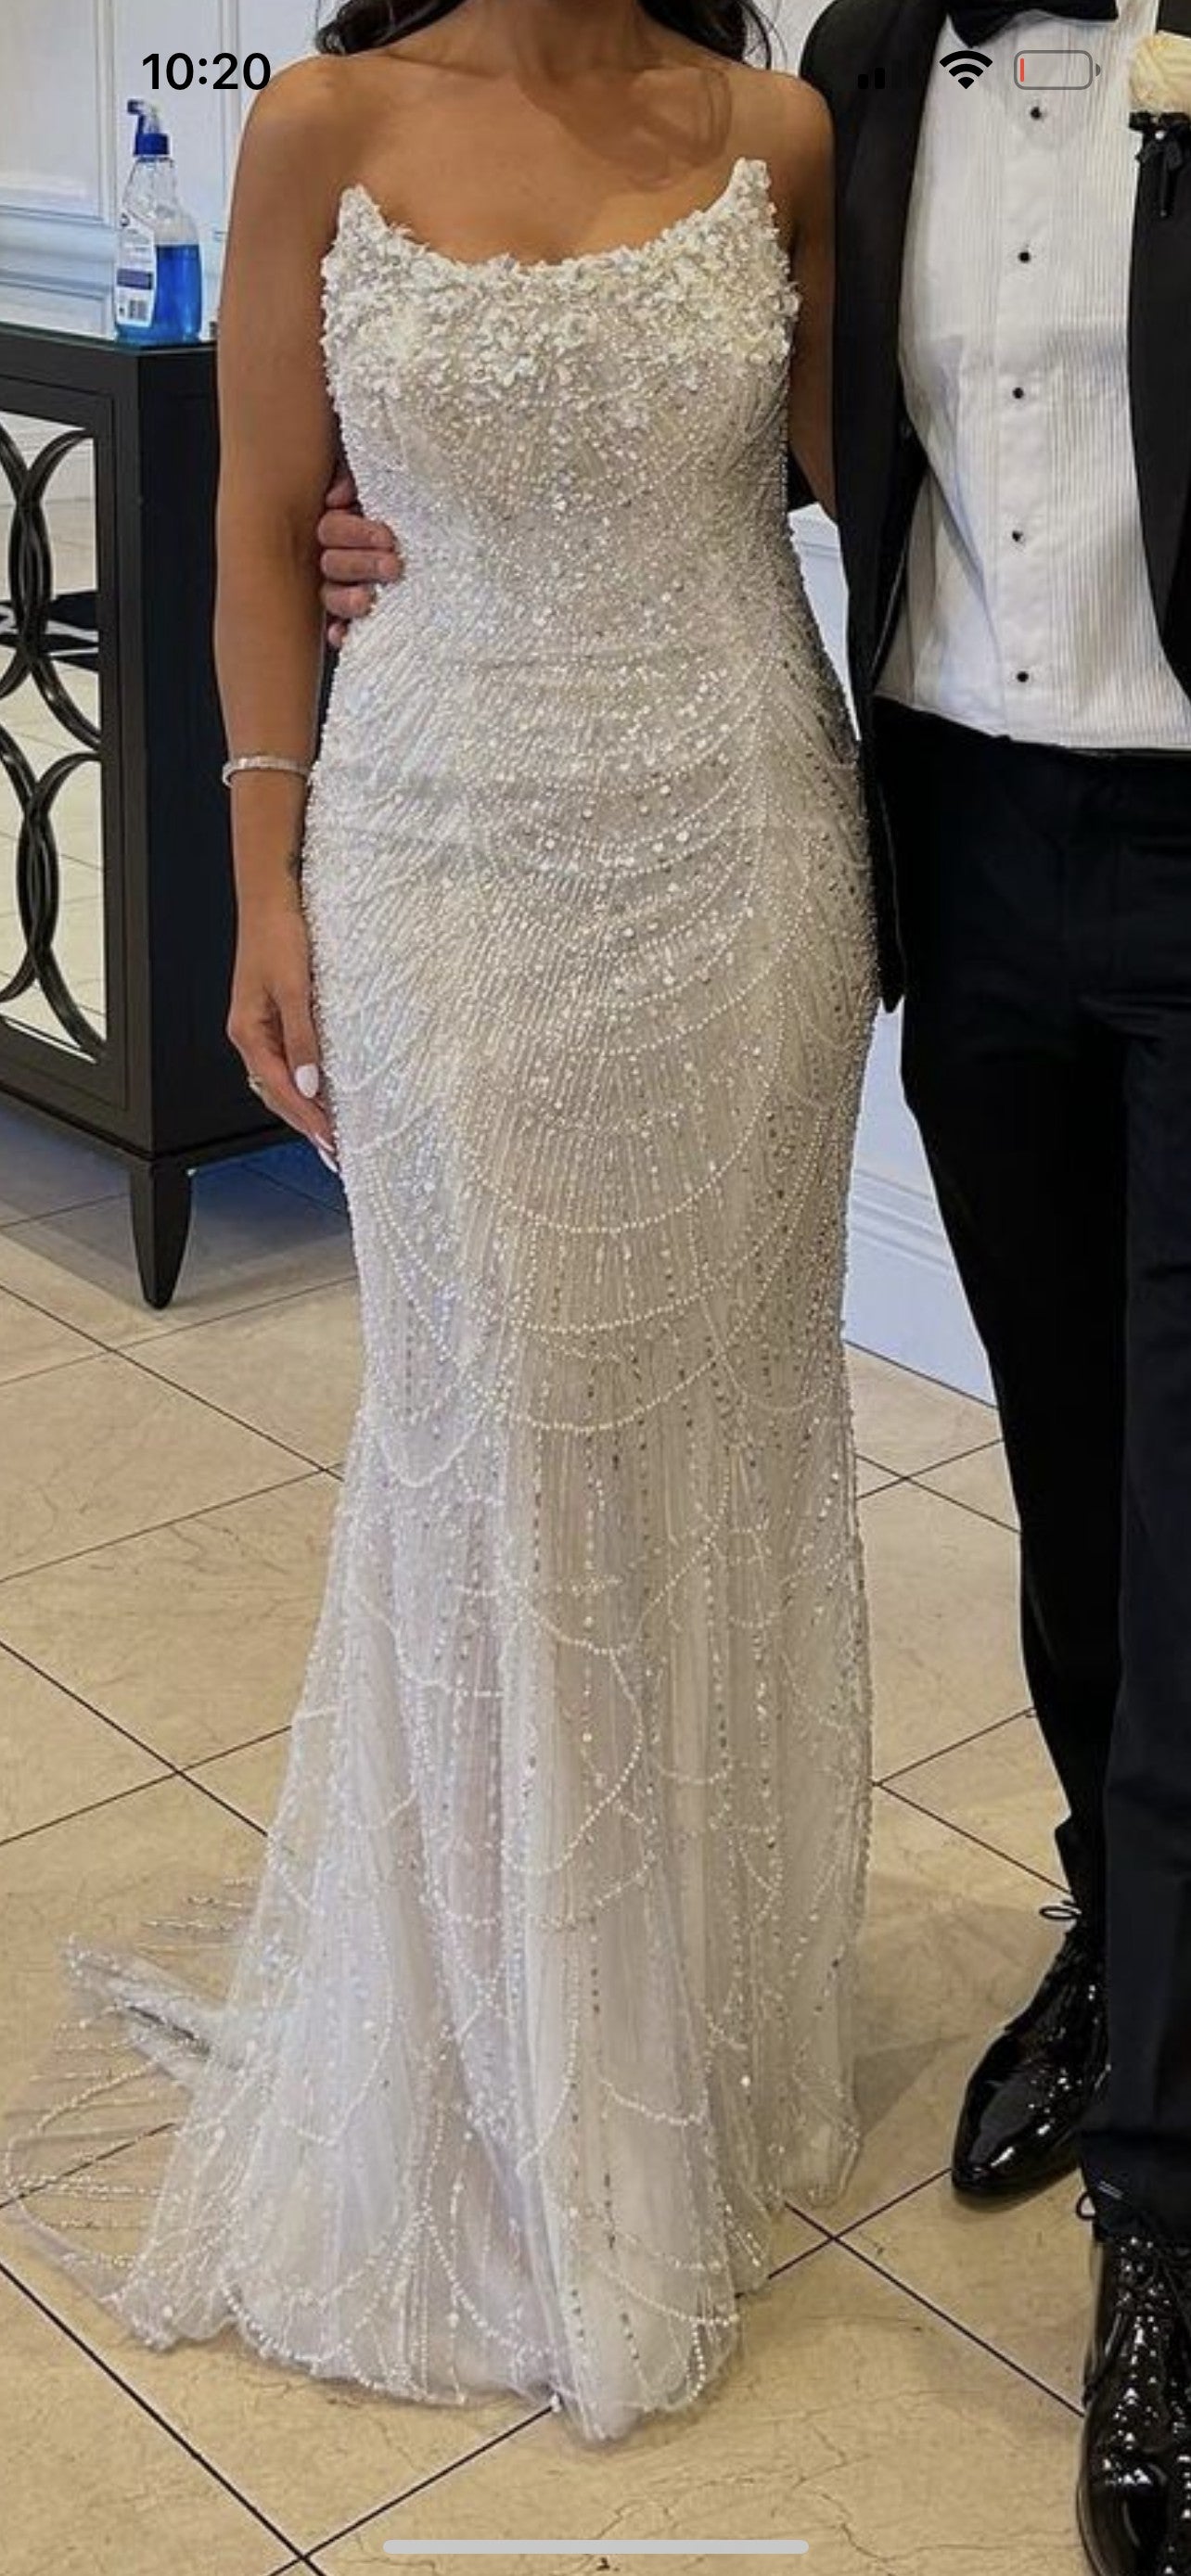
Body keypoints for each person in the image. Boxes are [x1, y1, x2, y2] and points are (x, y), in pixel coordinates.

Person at [320, 0, 1191, 2557]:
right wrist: (433, 514)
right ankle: (1117, 1931)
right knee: (1072, 1473)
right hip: (949, 844)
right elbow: (758, 434)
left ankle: (1165, 2213)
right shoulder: (875, 63)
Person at [0, 0, 877, 2445]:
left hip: (741, 850)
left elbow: (889, 484)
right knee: (498, 1447)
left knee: (706, 1434)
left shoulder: (778, 127)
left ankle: (673, 2042)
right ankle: (524, 2107)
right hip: (442, 855)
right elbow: (259, 532)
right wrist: (265, 875)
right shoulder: (325, 128)